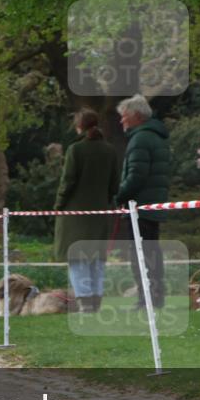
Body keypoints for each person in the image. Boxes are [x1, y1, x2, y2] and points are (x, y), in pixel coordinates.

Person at [54, 108, 120, 313]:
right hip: (100, 213)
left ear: (79, 126)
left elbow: (68, 182)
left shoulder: (75, 150)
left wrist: (58, 205)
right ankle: (96, 302)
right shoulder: (110, 150)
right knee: (97, 260)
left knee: (77, 260)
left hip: (76, 215)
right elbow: (114, 184)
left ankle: (84, 302)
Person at [114, 94, 171, 310]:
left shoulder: (140, 139)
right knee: (151, 253)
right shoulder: (156, 136)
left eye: (124, 116)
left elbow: (136, 175)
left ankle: (146, 299)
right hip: (152, 204)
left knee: (140, 256)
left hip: (140, 206)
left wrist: (119, 196)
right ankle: (155, 297)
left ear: (136, 116)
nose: (122, 121)